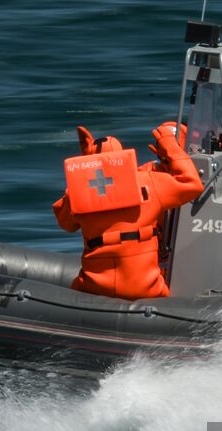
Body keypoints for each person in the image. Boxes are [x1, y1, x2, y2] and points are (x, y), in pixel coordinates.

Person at [53, 122, 203, 300]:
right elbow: (192, 184)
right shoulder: (150, 182)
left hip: (92, 288)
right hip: (147, 289)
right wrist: (170, 146)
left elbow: (65, 224)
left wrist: (79, 178)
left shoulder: (79, 191)